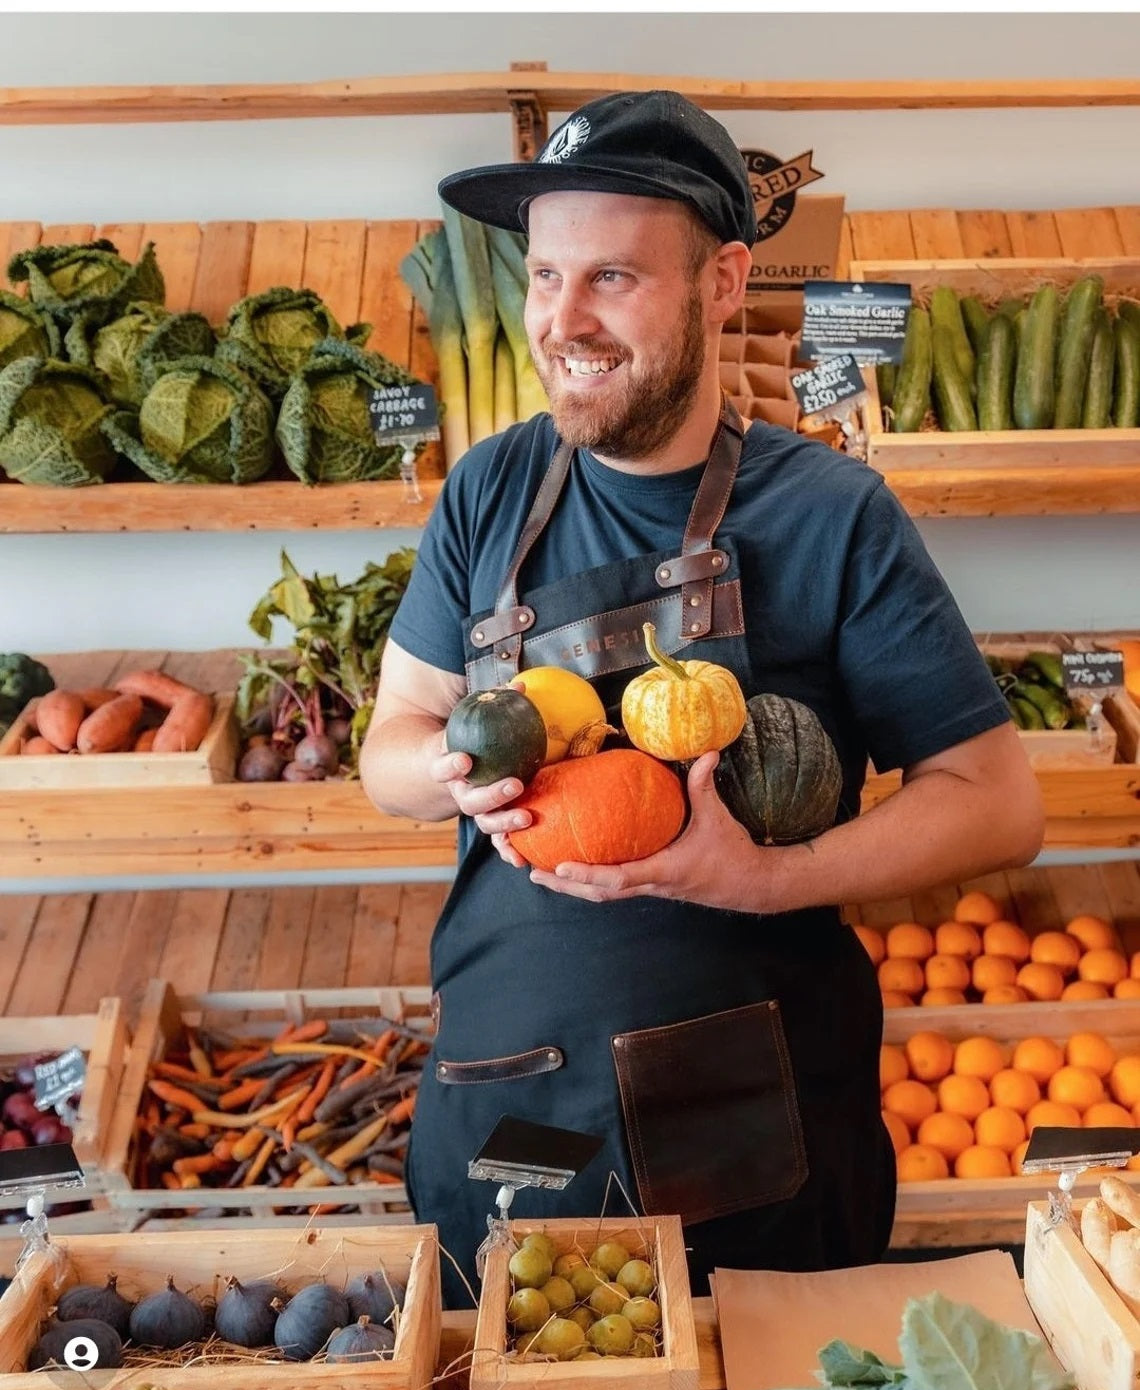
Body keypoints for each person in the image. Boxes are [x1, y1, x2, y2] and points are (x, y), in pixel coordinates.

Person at [360, 90, 1044, 1307]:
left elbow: (995, 805)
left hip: (751, 1118)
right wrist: (449, 774)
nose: (562, 320)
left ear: (724, 283)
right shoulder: (487, 491)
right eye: (546, 275)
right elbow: (389, 749)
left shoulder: (832, 515)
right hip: (509, 1093)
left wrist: (765, 878)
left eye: (612, 278)